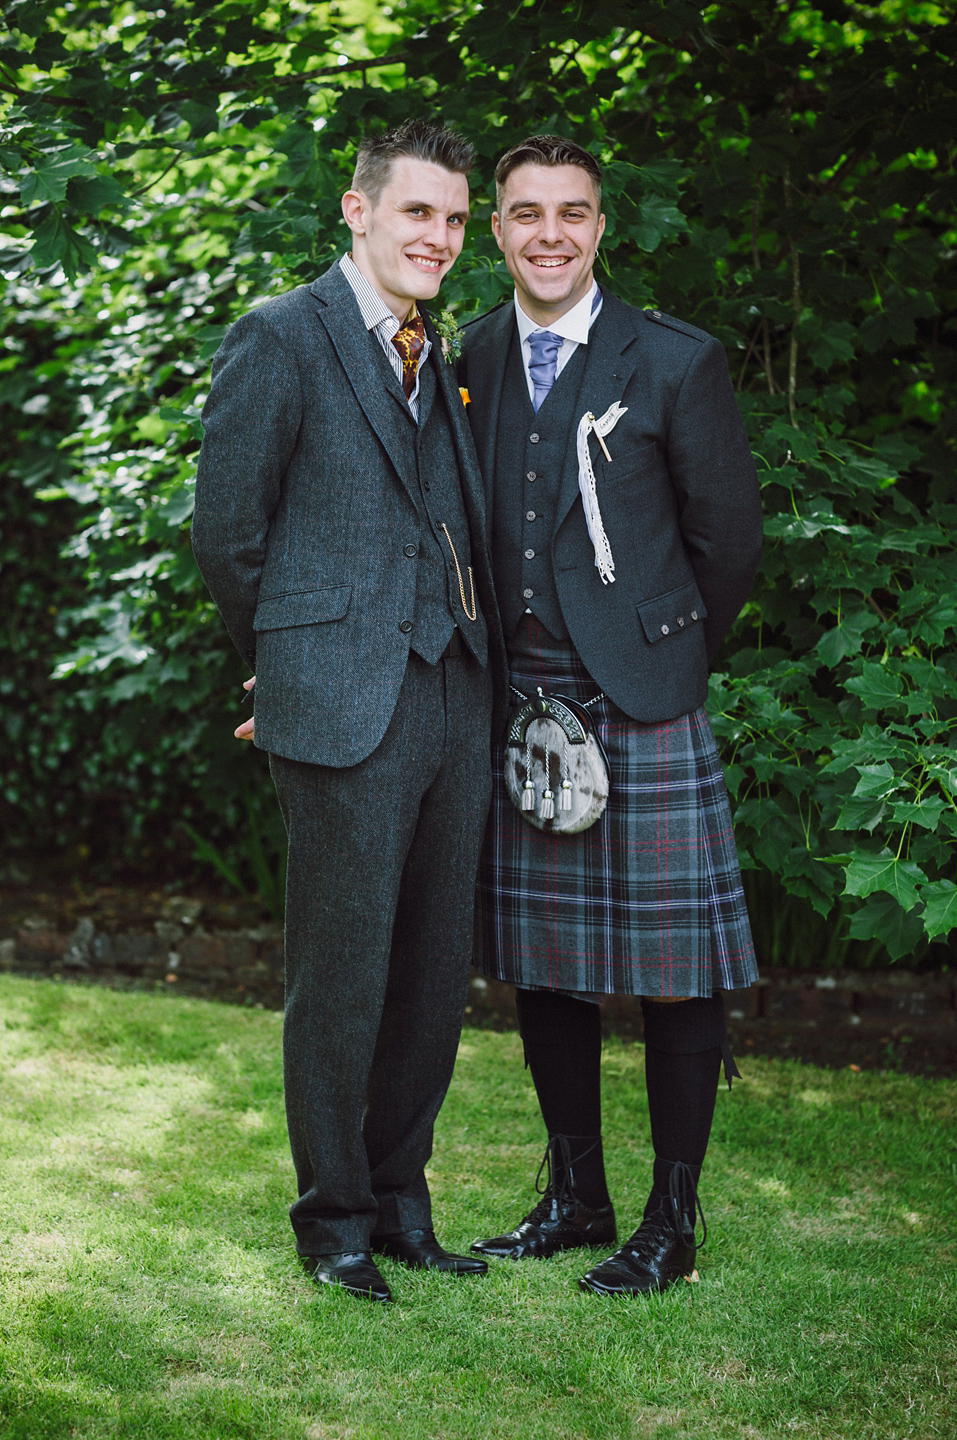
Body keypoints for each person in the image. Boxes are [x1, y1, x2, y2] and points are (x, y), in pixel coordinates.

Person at [192, 120, 506, 1304]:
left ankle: (402, 1200)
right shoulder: (282, 336)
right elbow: (228, 530)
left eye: (455, 219)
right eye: (417, 212)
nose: (439, 236)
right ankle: (332, 1220)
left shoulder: (452, 352)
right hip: (337, 699)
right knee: (343, 972)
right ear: (358, 211)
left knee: (433, 971)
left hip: (455, 691)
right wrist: (281, 663)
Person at [456, 135, 762, 1296]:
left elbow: (726, 541)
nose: (549, 233)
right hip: (523, 710)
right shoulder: (470, 356)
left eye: (571, 213)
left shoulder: (677, 361)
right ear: (496, 229)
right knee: (548, 963)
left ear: (601, 228)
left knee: (677, 972)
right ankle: (576, 1196)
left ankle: (671, 1223)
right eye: (525, 213)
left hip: (643, 708)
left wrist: (661, 661)